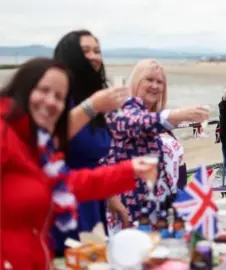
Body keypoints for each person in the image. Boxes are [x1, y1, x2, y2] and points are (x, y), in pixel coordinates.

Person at [0, 58, 154, 270]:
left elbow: (69, 184)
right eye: (43, 90)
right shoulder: (4, 133)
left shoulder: (35, 145)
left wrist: (129, 170)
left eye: (59, 97)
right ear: (23, 89)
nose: (51, 101)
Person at [102, 59, 209, 232]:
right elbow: (138, 124)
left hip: (162, 213)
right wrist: (179, 114)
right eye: (149, 79)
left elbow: (176, 168)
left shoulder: (157, 118)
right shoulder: (124, 111)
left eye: (160, 82)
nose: (155, 86)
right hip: (133, 213)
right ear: (136, 81)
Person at [51, 29, 130, 256]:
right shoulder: (57, 97)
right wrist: (92, 106)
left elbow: (94, 158)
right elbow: (48, 141)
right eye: (85, 51)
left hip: (92, 199)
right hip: (62, 201)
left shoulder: (94, 99)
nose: (94, 56)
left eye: (97, 51)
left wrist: (111, 196)